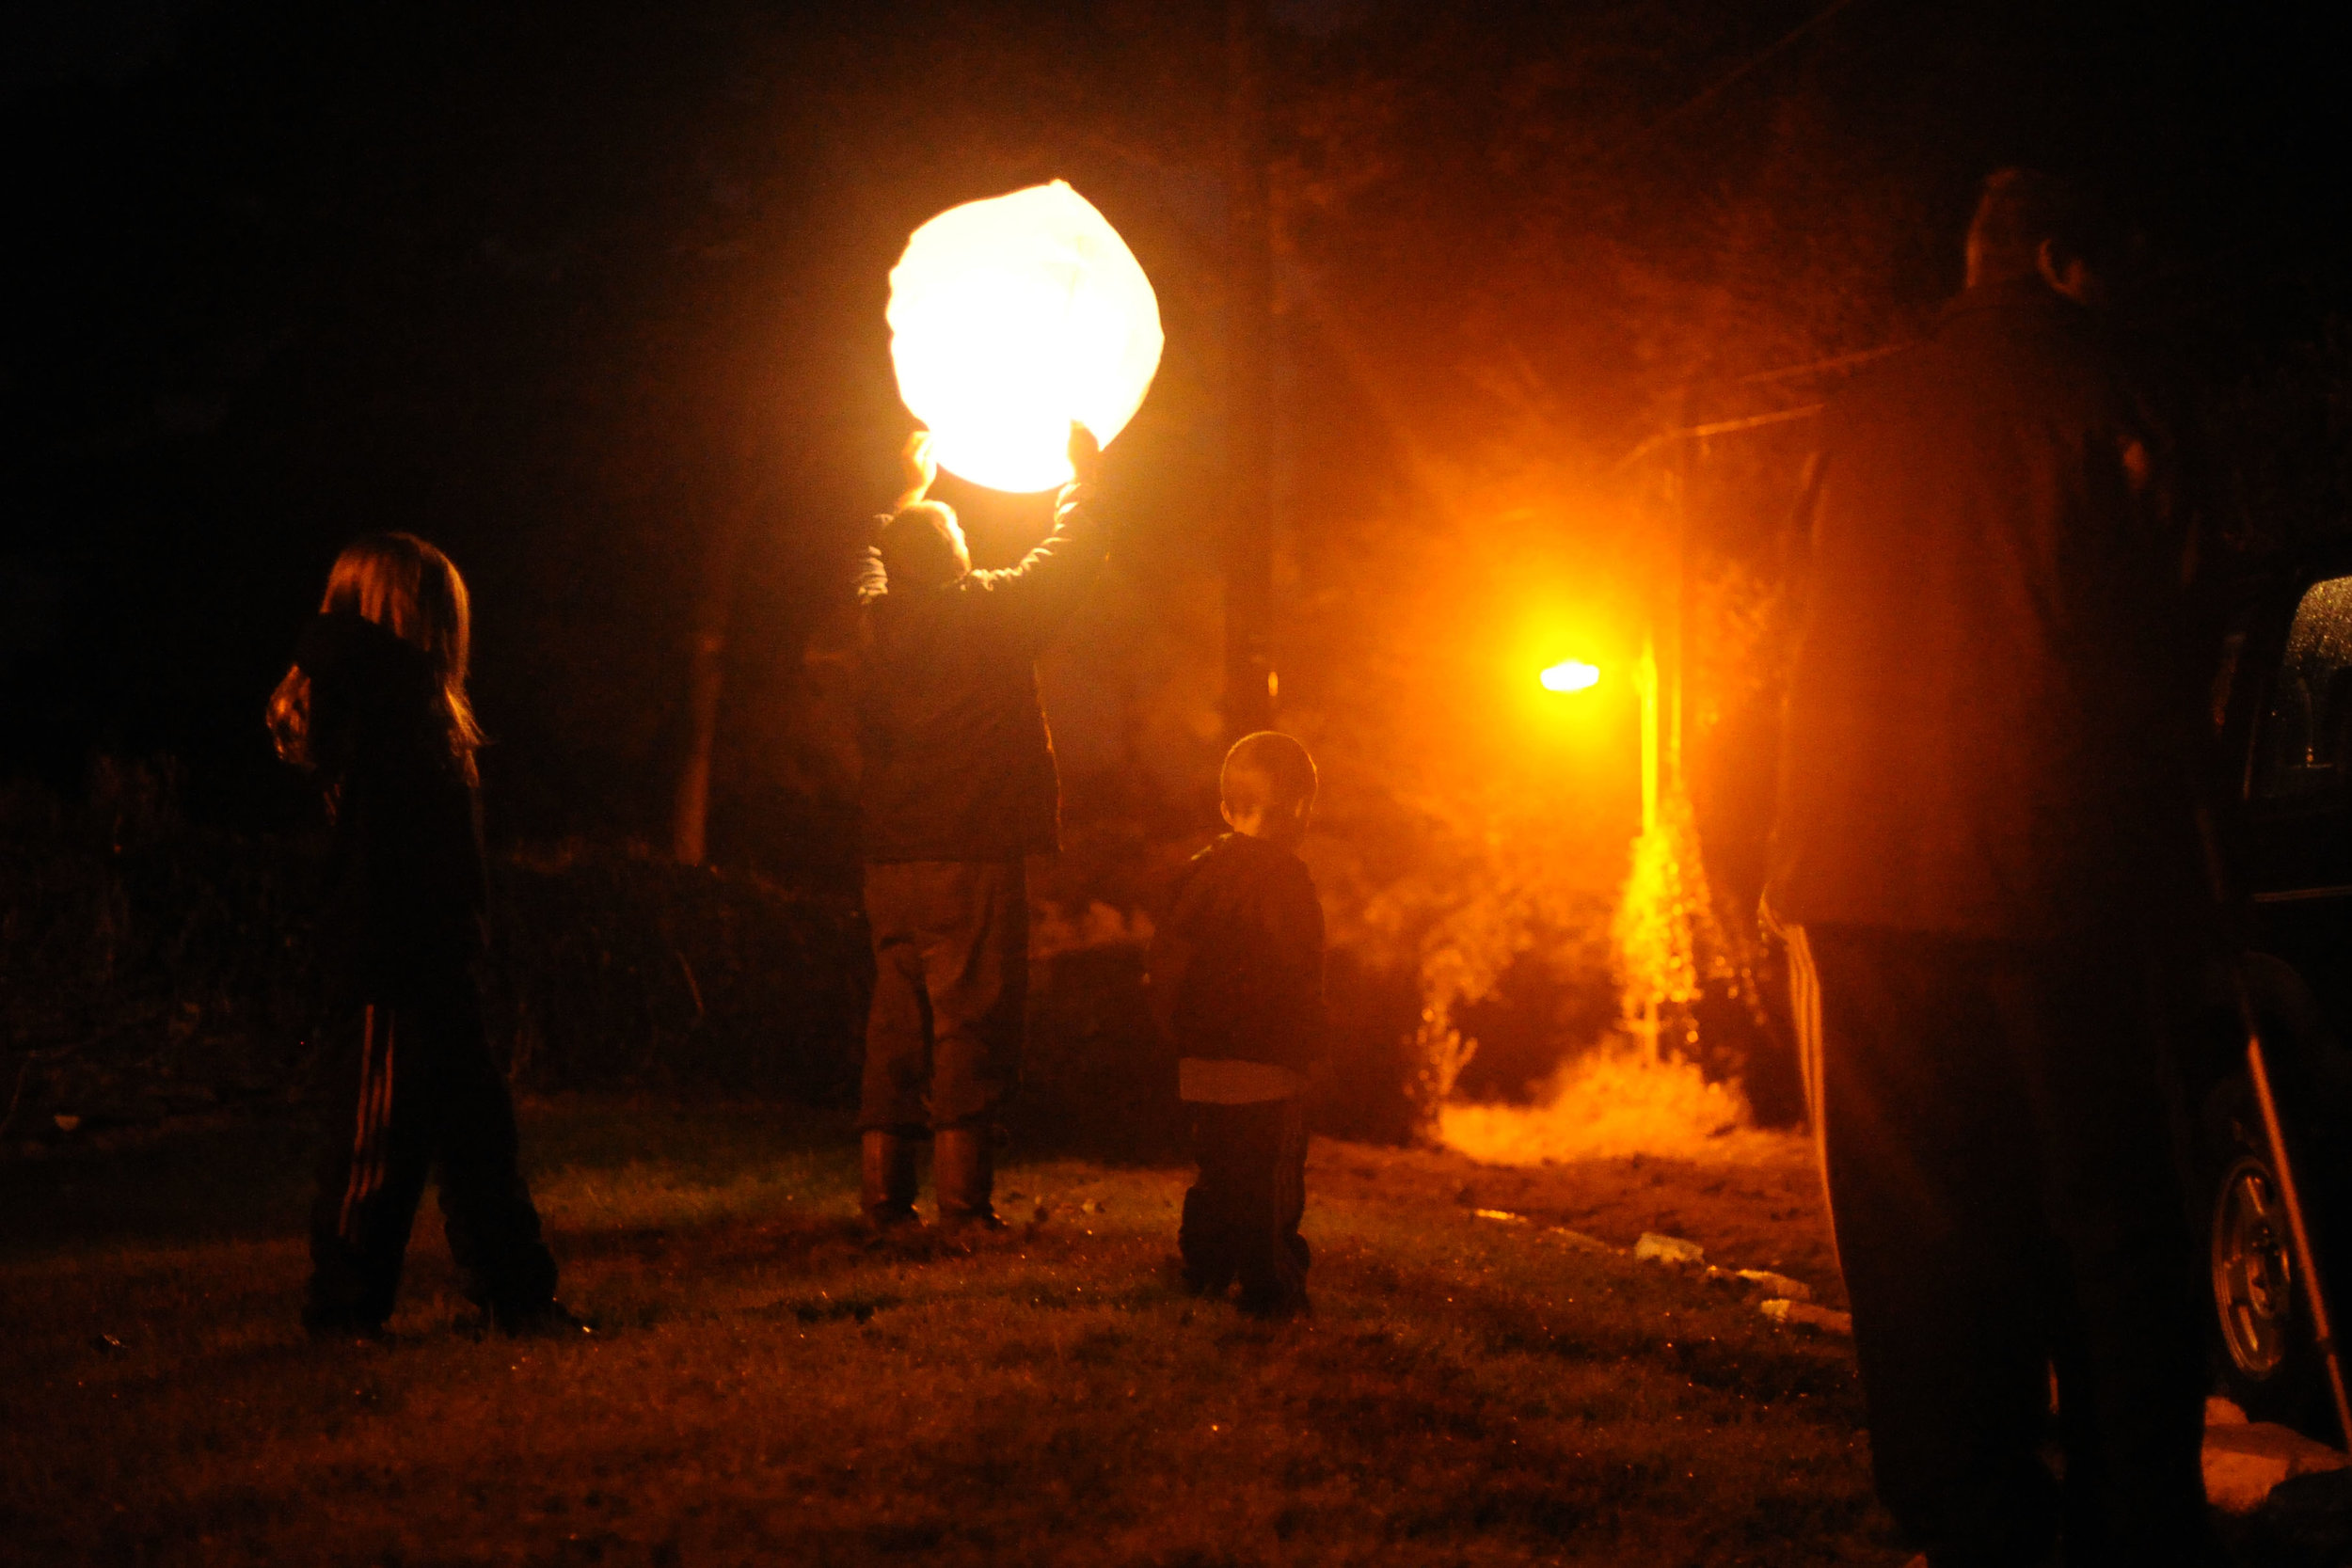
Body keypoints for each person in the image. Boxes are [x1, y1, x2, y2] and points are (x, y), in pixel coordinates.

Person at [1766, 169, 2220, 1567]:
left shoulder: (1858, 415)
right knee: (2108, 1214)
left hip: (1855, 867)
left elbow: (1800, 635)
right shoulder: (2114, 396)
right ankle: (2133, 1517)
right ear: (2067, 259)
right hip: (2048, 864)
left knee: (1919, 1225)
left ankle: (1968, 1518)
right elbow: (2178, 629)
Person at [268, 533, 580, 1341]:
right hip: (385, 965)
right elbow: (336, 664)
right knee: (372, 1151)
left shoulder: (412, 708)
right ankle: (344, 1312)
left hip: (440, 964)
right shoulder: (373, 699)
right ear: (409, 613)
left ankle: (519, 1297)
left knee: (482, 1144)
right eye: (439, 610)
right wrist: (354, 627)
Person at [853, 422, 1110, 1230]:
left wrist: (900, 494)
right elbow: (1075, 551)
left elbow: (862, 555)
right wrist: (1085, 473)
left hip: (891, 857)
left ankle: (883, 1199)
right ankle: (964, 1207)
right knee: (972, 1018)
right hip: (972, 852)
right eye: (954, 527)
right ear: (956, 556)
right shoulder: (994, 612)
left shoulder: (877, 621)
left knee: (895, 1021)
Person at [1147, 731, 1324, 1319]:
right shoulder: (1291, 880)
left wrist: (1170, 1025)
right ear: (1302, 811)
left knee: (1217, 1172)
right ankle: (1271, 1282)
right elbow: (1301, 971)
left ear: (1226, 807)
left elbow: (1168, 957)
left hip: (1202, 1059)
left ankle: (1204, 1267)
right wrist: (1311, 1044)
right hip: (1268, 1062)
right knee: (1269, 1179)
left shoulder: (1194, 876)